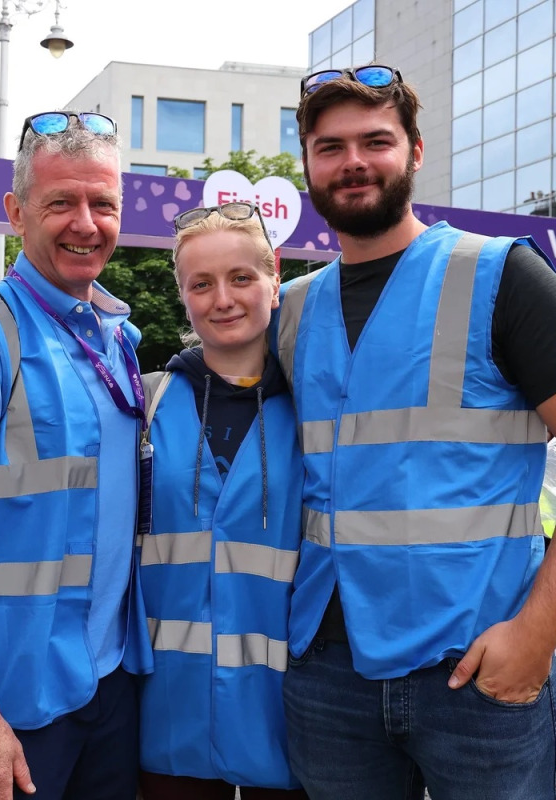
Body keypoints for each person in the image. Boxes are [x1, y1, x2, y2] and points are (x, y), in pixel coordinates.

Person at [275, 65, 556, 800]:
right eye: (330, 147)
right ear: (306, 163)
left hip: (475, 672)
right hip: (328, 675)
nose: (354, 162)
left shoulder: (503, 276)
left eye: (376, 141)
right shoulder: (294, 310)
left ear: (417, 152)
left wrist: (538, 633)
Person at [0, 110, 151, 800]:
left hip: (105, 686)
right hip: (6, 703)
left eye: (103, 203)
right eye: (61, 202)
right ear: (15, 212)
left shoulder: (116, 340)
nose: (86, 222)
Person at [137, 202, 307, 800]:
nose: (223, 299)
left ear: (274, 278)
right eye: (201, 284)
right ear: (183, 296)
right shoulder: (146, 408)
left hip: (288, 723)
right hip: (166, 722)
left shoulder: (319, 408)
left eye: (241, 278)